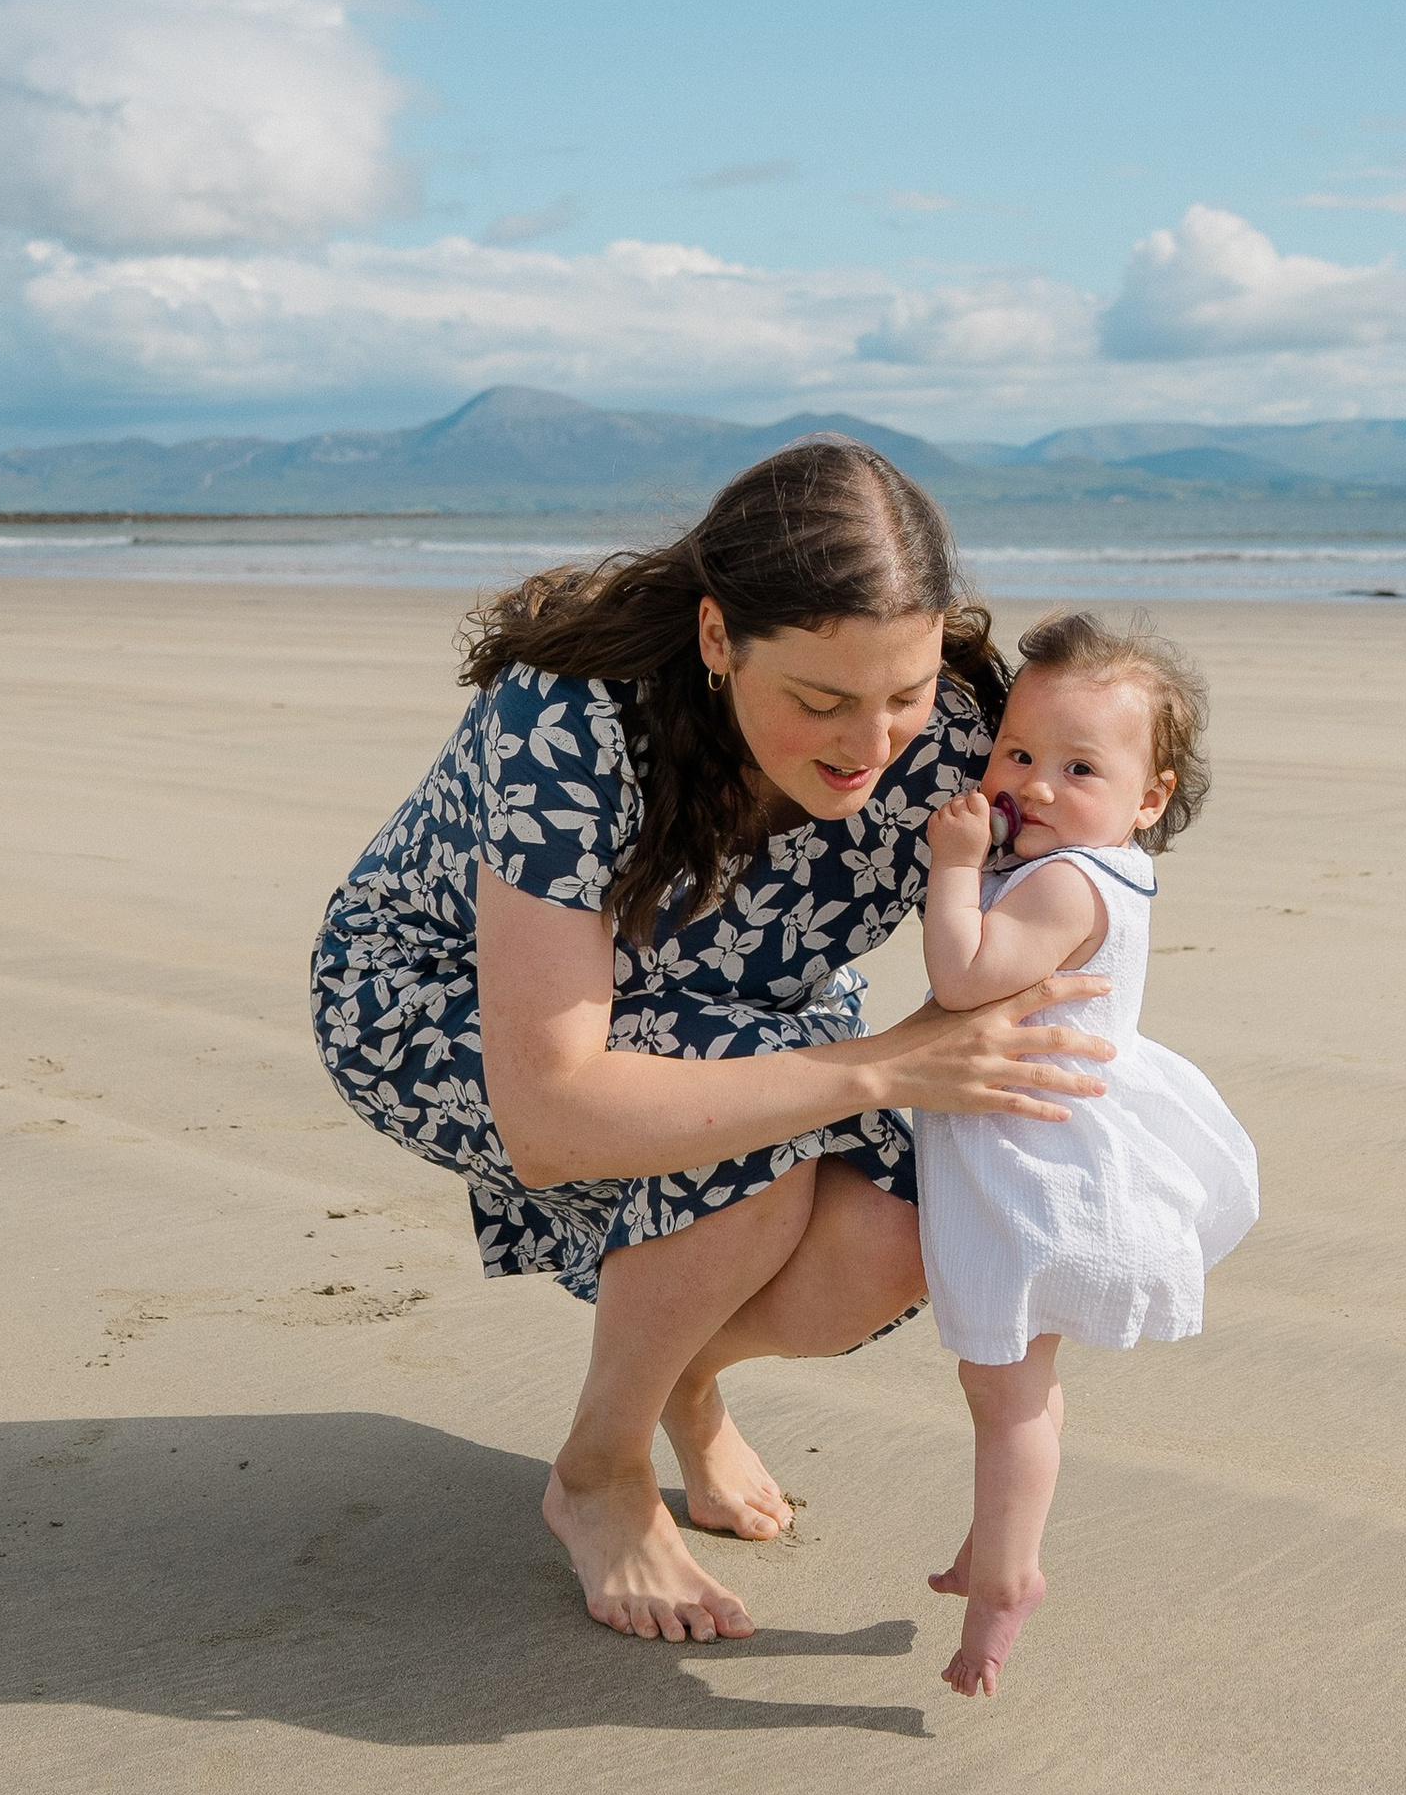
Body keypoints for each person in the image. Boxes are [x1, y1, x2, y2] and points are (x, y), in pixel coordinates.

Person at [308, 441, 1113, 1643]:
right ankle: (601, 1466)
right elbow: (551, 1111)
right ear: (717, 637)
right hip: (446, 1004)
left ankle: (678, 1369)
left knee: (897, 1228)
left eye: (902, 691)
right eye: (821, 700)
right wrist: (877, 1066)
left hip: (755, 1012)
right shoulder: (566, 719)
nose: (870, 742)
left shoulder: (951, 740)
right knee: (756, 1148)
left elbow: (1100, 853)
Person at [915, 610, 1258, 1697]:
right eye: (1018, 753)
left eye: (1079, 768)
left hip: (1034, 1167)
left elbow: (965, 976)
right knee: (1021, 1375)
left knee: (1002, 1383)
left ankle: (1006, 1580)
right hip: (1045, 1146)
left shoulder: (1065, 883)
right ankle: (997, 1534)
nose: (1037, 785)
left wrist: (954, 867)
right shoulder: (1104, 865)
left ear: (1150, 797)